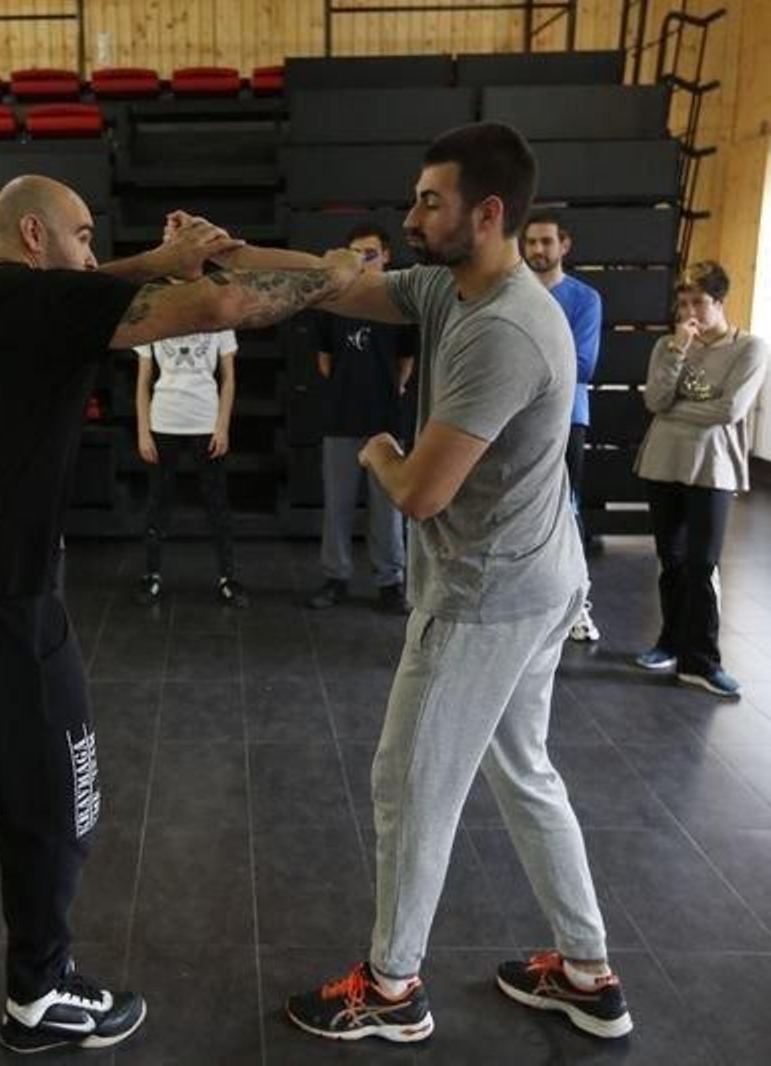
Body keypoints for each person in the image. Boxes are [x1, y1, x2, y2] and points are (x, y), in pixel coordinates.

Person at [0, 174, 361, 1055]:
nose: (95, 253)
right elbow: (228, 299)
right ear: (40, 237)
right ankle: (40, 993)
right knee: (58, 791)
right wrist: (338, 270)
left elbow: (83, 288)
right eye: (84, 236)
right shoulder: (39, 307)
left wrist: (156, 258)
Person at [209, 123, 631, 1045]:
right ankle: (589, 973)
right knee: (524, 769)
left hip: (488, 594)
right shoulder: (449, 283)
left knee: (409, 780)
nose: (410, 216)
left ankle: (392, 988)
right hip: (537, 575)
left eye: (429, 201)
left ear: (488, 213)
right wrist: (231, 253)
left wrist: (380, 449)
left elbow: (421, 491)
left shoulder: (508, 330)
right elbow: (344, 282)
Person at [633, 261, 769, 698]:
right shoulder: (669, 345)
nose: (689, 310)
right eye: (683, 301)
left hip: (713, 466)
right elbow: (654, 399)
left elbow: (730, 411)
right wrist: (677, 350)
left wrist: (674, 409)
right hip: (663, 462)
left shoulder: (749, 349)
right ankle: (669, 643)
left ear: (719, 302)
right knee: (671, 559)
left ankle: (703, 660)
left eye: (699, 301)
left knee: (702, 563)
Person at [306, 223, 416, 614]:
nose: (361, 260)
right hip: (340, 418)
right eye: (354, 252)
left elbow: (407, 361)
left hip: (385, 421)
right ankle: (335, 577)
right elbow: (325, 360)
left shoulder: (399, 305)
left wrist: (389, 389)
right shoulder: (333, 303)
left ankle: (391, 582)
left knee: (388, 509)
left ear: (385, 256)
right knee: (337, 505)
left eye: (369, 252)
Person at [133, 218, 245, 608]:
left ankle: (228, 578)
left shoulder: (214, 297)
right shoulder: (153, 302)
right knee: (158, 502)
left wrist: (222, 425)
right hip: (164, 419)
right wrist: (144, 431)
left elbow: (228, 376)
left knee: (217, 503)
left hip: (205, 420)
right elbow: (143, 377)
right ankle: (151, 575)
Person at [523, 209, 603, 642]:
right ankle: (532, 605)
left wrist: (523, 364)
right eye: (531, 242)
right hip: (515, 418)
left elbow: (584, 365)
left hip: (567, 418)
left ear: (563, 245)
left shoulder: (584, 299)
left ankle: (577, 605)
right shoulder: (510, 295)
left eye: (546, 241)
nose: (538, 249)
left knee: (566, 509)